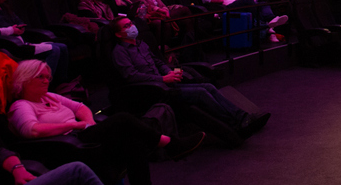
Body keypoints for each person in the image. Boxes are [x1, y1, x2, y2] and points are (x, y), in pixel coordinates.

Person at [8, 60, 203, 185]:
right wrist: (75, 126)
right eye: (39, 77)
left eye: (47, 77)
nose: (46, 81)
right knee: (122, 118)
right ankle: (171, 144)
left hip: (83, 137)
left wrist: (89, 123)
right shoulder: (21, 105)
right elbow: (31, 130)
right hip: (66, 144)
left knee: (133, 142)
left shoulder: (49, 96)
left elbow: (81, 108)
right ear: (24, 79)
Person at [109, 16, 268, 140]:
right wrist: (163, 80)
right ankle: (237, 123)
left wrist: (168, 72)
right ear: (118, 33)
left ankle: (242, 117)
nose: (132, 27)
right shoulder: (119, 52)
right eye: (126, 26)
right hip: (152, 91)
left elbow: (157, 61)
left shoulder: (141, 44)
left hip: (165, 83)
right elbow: (131, 76)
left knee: (208, 86)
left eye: (131, 24)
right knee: (200, 92)